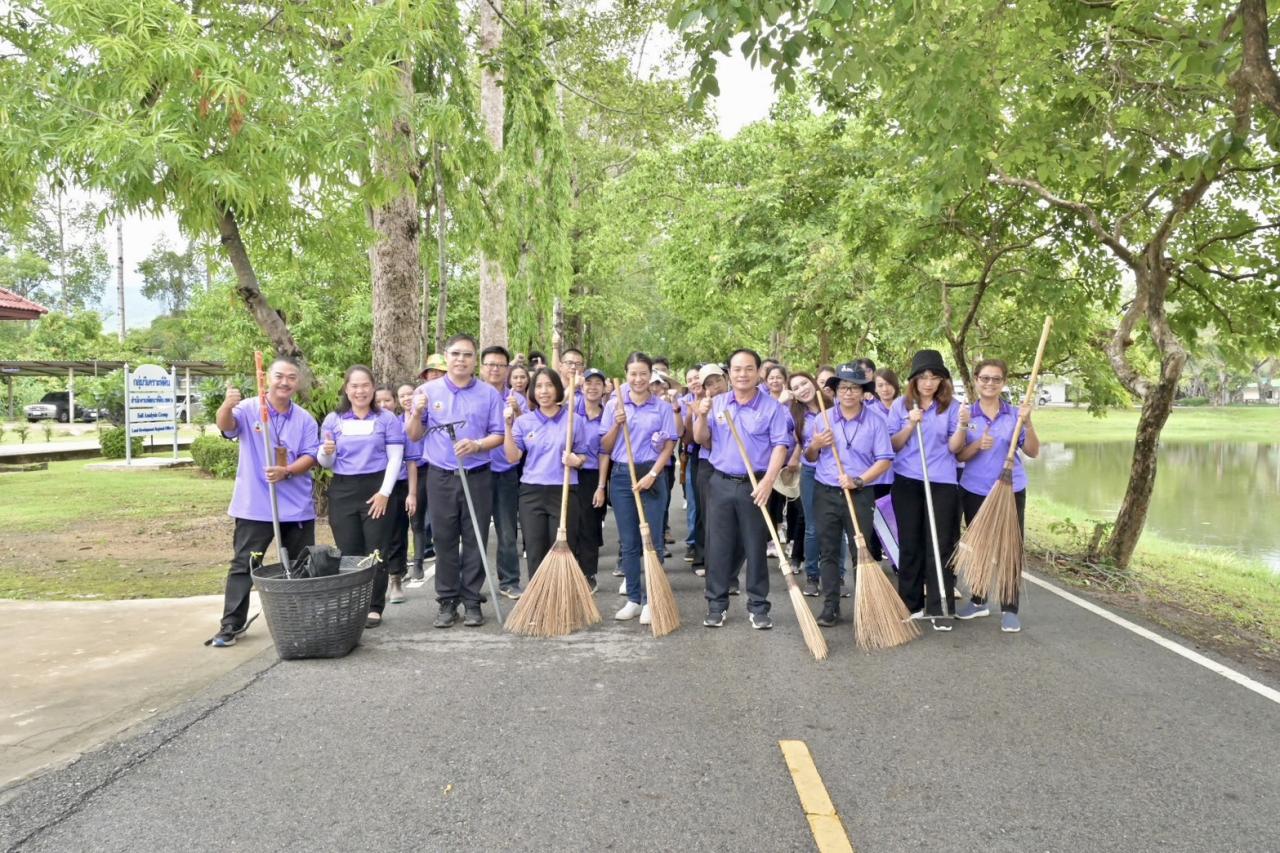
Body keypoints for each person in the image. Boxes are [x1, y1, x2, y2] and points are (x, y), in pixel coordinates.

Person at [210, 356, 319, 647]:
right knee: (244, 564)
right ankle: (232, 623)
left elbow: (312, 455)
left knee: (299, 565)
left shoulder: (305, 419)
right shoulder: (248, 408)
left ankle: (299, 620)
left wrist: (287, 471)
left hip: (295, 507)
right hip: (255, 506)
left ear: (297, 382)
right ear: (268, 378)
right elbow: (227, 427)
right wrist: (226, 406)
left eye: (291, 377)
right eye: (280, 376)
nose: (285, 382)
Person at [406, 333, 505, 628]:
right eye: (456, 354)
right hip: (440, 475)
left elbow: (498, 435)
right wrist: (417, 411)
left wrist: (477, 445)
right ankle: (447, 600)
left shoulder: (488, 393)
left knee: (475, 536)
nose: (461, 360)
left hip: (477, 474)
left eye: (467, 355)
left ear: (475, 361)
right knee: (444, 538)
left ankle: (473, 599)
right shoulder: (426, 390)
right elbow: (413, 435)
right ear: (446, 357)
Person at [693, 348, 793, 629]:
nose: (742, 374)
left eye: (749, 368)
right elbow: (703, 440)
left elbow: (780, 446)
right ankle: (716, 604)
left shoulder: (772, 407)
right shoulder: (718, 402)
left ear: (759, 372)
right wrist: (700, 416)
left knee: (755, 546)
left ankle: (759, 606)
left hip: (756, 484)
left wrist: (768, 482)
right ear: (729, 373)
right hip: (721, 481)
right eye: (737, 369)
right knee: (718, 546)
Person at [804, 363, 893, 626]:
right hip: (826, 491)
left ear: (863, 391)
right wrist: (816, 445)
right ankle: (831, 606)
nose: (848, 393)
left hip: (860, 493)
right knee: (829, 550)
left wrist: (858, 480)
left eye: (854, 387)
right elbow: (810, 457)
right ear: (835, 391)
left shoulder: (877, 421)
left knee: (861, 551)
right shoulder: (823, 419)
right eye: (843, 387)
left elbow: (885, 459)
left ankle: (866, 606)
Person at [317, 365, 406, 629]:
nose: (360, 391)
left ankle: (374, 606)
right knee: (350, 551)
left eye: (365, 385)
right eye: (354, 386)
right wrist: (327, 450)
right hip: (343, 490)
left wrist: (384, 493)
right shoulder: (334, 420)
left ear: (373, 386)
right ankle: (355, 603)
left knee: (376, 550)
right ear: (346, 389)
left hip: (377, 487)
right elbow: (326, 463)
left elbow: (395, 459)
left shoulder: (387, 420)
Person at [956, 358, 1040, 633]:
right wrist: (977, 445)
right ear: (976, 381)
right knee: (980, 545)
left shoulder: (1015, 414)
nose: (990, 383)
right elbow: (959, 455)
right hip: (976, 488)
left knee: (1009, 547)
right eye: (985, 378)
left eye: (996, 379)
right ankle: (979, 600)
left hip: (1010, 488)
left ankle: (1009, 607)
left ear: (1003, 382)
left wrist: (1028, 422)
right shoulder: (968, 417)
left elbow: (1032, 451)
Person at [887, 349, 968, 629]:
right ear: (914, 381)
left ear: (942, 380)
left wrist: (963, 426)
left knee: (940, 544)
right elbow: (893, 445)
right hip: (908, 480)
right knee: (910, 544)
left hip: (941, 481)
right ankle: (911, 603)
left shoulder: (953, 407)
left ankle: (940, 605)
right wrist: (911, 423)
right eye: (923, 377)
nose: (928, 382)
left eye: (934, 377)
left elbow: (954, 448)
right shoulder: (901, 405)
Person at [599, 352, 678, 625]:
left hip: (652, 473)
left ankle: (650, 599)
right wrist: (617, 425)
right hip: (622, 475)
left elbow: (669, 445)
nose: (638, 378)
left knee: (652, 540)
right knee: (629, 541)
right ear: (626, 375)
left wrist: (654, 474)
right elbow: (605, 447)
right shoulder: (614, 406)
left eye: (643, 373)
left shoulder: (662, 408)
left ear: (650, 375)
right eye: (633, 373)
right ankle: (633, 598)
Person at [504, 368, 589, 580]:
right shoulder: (524, 422)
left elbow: (584, 455)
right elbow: (513, 457)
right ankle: (538, 603)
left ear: (558, 389)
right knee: (535, 550)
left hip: (564, 491)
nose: (544, 391)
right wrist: (507, 426)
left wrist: (576, 460)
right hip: (531, 493)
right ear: (532, 391)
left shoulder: (573, 419)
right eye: (539, 386)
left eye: (549, 385)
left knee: (562, 551)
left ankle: (561, 602)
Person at [480, 345, 525, 599]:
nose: (495, 369)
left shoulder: (515, 398)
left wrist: (517, 413)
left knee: (507, 529)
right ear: (482, 367)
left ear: (507, 369)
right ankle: (472, 584)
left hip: (506, 471)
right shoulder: (473, 395)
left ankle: (509, 580)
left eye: (500, 365)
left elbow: (526, 434)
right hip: (479, 470)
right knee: (473, 530)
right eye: (490, 364)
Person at [373, 384, 420, 607]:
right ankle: (374, 583)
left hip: (399, 486)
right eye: (378, 401)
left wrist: (412, 493)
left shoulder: (404, 426)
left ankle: (395, 579)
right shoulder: (369, 425)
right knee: (376, 537)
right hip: (373, 486)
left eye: (387, 401)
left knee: (397, 535)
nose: (383, 405)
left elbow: (411, 462)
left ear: (395, 402)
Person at [788, 372, 823, 596]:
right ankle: (812, 576)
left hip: (835, 472)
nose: (803, 389)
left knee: (836, 528)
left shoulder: (834, 406)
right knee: (812, 526)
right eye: (797, 387)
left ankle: (837, 575)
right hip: (810, 471)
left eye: (805, 383)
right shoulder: (794, 415)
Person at [575, 368, 610, 591]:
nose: (593, 387)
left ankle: (588, 574)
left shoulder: (608, 416)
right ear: (582, 386)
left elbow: (605, 453)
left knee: (590, 526)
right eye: (589, 383)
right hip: (569, 474)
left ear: (604, 388)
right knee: (570, 524)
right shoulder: (570, 412)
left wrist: (601, 486)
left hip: (593, 475)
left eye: (598, 383)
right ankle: (570, 571)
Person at [680, 365, 704, 567]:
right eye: (690, 379)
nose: (695, 382)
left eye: (698, 377)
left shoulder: (718, 399)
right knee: (695, 503)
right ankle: (695, 544)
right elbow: (687, 439)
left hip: (716, 456)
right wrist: (689, 414)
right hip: (695, 455)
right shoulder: (686, 403)